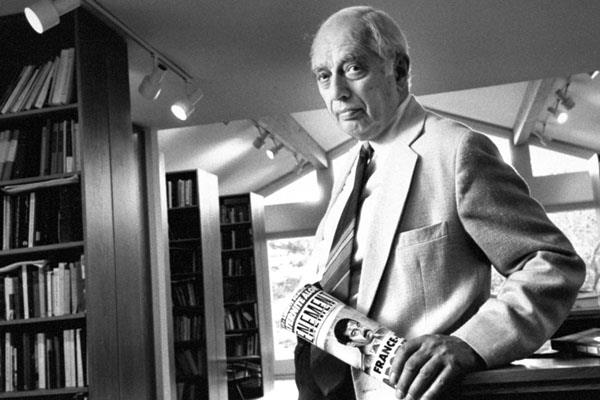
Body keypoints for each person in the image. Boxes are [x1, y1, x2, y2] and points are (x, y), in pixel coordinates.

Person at [294, 5, 585, 400]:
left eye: (354, 68)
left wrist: (471, 343)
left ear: (398, 70)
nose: (337, 92)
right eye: (324, 76)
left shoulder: (457, 150)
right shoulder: (350, 170)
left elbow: (552, 262)